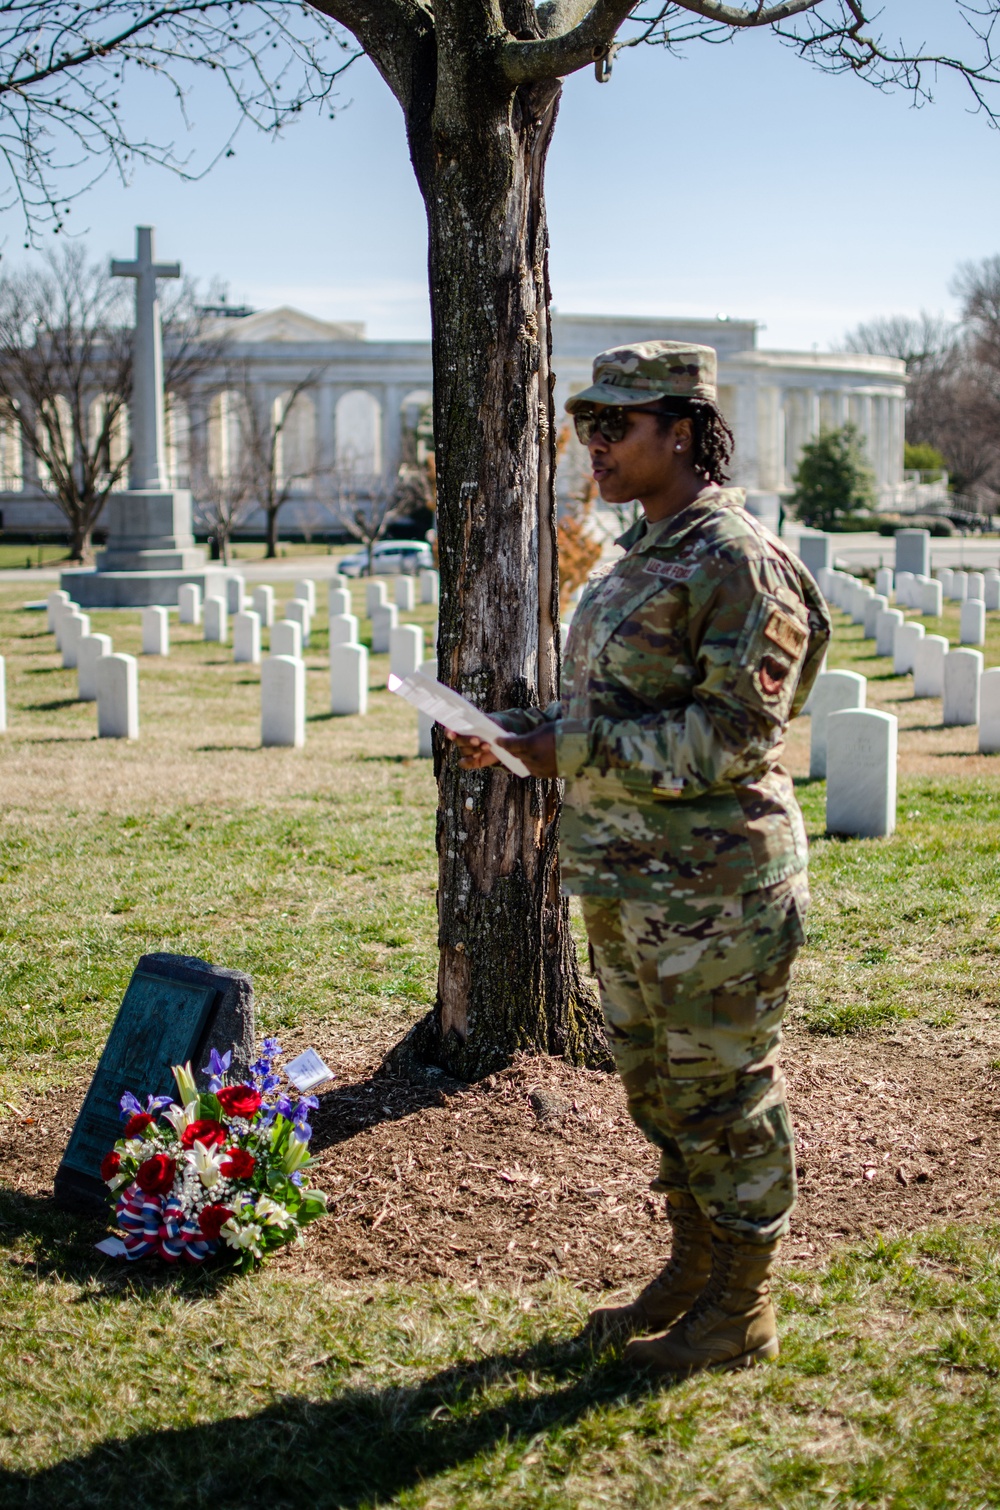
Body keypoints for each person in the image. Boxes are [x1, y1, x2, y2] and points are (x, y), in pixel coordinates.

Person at [449, 340, 831, 1378]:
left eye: (616, 425)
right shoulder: (637, 554)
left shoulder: (735, 560)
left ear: (682, 429)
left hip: (716, 891)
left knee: (721, 1093)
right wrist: (517, 727)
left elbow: (731, 739)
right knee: (658, 1094)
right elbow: (610, 712)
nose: (595, 445)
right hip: (625, 876)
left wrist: (560, 750)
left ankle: (741, 1310)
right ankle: (692, 1267)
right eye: (586, 425)